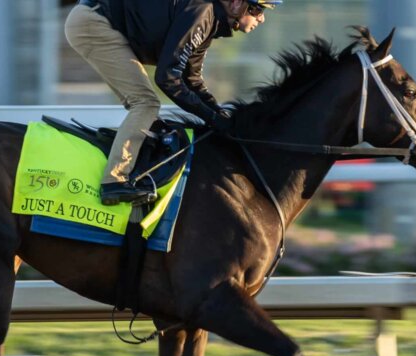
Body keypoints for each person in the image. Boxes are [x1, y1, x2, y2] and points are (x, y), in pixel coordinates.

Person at [65, 0, 282, 205]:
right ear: (236, 3)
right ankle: (114, 181)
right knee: (145, 103)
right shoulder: (202, 12)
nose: (261, 19)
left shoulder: (210, 19)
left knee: (142, 103)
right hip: (94, 23)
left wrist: (220, 115)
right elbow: (167, 78)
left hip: (97, 21)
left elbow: (192, 80)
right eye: (258, 10)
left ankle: (129, 169)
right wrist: (212, 119)